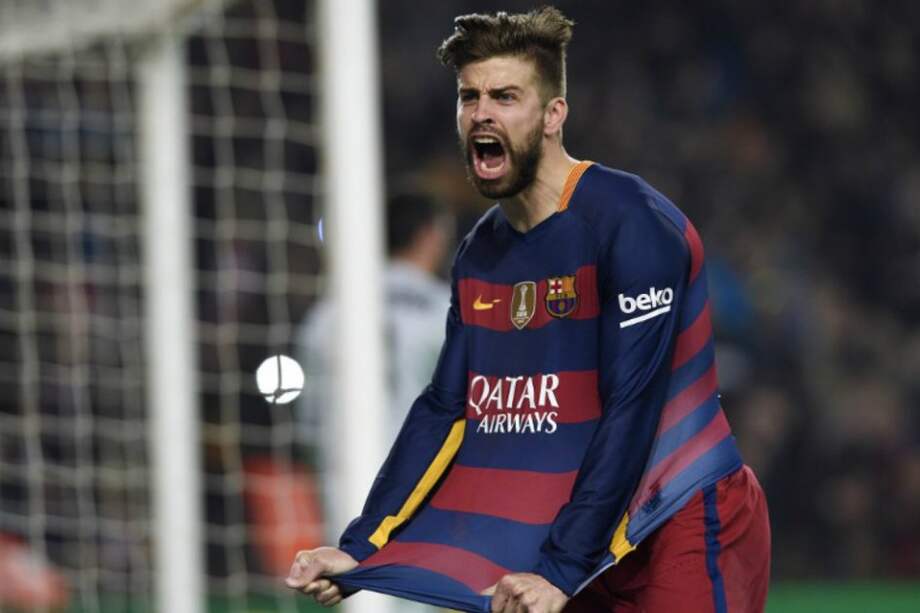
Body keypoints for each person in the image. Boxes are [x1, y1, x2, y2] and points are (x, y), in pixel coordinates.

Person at [287, 7, 770, 613]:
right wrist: (362, 546)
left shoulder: (631, 225)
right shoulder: (480, 254)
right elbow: (447, 407)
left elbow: (632, 405)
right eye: (470, 96)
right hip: (575, 536)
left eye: (505, 96)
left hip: (678, 516)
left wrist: (562, 569)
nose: (481, 112)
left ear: (552, 116)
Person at [296, 192, 452, 613]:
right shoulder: (450, 312)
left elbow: (308, 418)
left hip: (346, 476)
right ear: (430, 236)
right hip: (427, 481)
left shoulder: (327, 315)